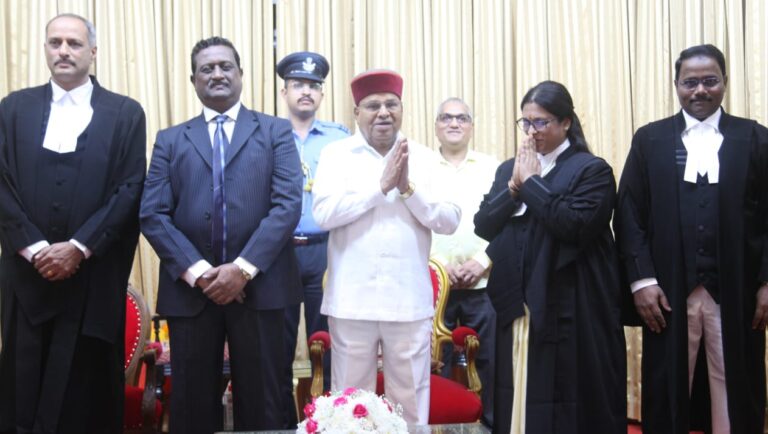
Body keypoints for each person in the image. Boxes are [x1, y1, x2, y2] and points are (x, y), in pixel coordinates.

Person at [140, 37, 303, 433]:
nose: (216, 74)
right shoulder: (170, 139)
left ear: (240, 74)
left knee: (264, 403)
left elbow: (287, 207)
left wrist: (241, 270)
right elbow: (153, 213)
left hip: (262, 289)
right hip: (190, 293)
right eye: (207, 68)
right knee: (191, 406)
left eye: (225, 66)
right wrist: (201, 274)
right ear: (193, 79)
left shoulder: (276, 131)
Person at [0, 13, 146, 433]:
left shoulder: (125, 113)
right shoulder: (13, 109)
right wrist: (35, 249)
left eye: (74, 43)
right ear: (45, 49)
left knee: (86, 398)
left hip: (92, 281)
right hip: (26, 279)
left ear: (93, 52)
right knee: (21, 391)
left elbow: (130, 188)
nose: (63, 51)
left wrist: (79, 248)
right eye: (55, 42)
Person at [614, 44, 768, 434]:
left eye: (709, 81)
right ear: (676, 84)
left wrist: (767, 281)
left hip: (738, 290)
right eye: (690, 82)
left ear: (725, 82)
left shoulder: (755, 138)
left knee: (736, 384)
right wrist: (641, 280)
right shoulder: (649, 140)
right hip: (667, 290)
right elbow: (629, 214)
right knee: (667, 388)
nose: (700, 90)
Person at [474, 81, 626, 434]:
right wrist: (514, 187)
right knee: (516, 391)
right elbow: (484, 225)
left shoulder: (592, 170)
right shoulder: (509, 169)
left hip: (572, 305)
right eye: (525, 122)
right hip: (517, 303)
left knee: (569, 396)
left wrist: (531, 183)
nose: (531, 132)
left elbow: (574, 226)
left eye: (541, 122)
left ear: (566, 122)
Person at [311, 69, 461, 425]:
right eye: (373, 105)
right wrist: (379, 188)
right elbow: (323, 215)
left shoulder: (424, 157)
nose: (383, 112)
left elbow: (449, 220)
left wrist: (408, 189)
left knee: (410, 402)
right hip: (351, 300)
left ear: (402, 109)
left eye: (391, 104)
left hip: (407, 301)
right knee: (351, 404)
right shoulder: (336, 155)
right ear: (356, 113)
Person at [275, 51, 349, 428]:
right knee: (278, 343)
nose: (306, 91)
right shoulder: (267, 134)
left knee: (330, 342)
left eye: (313, 85)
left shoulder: (339, 138)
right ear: (284, 91)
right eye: (298, 85)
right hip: (279, 254)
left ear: (322, 93)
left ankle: (333, 421)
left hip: (327, 252)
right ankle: (282, 424)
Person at [429, 97, 498, 428]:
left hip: (483, 282)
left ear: (472, 126)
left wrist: (483, 260)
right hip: (432, 285)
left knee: (490, 362)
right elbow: (412, 221)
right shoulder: (420, 168)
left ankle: (491, 426)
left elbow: (507, 221)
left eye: (461, 118)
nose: (454, 123)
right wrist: (439, 264)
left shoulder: (492, 167)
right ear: (436, 125)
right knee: (432, 365)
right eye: (446, 117)